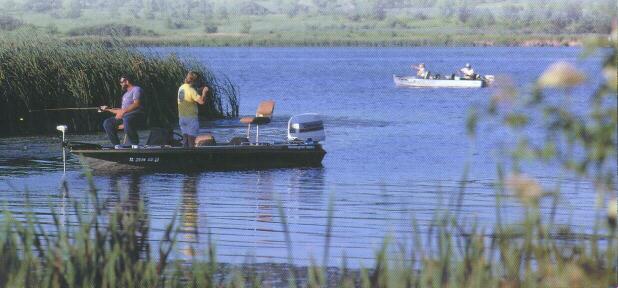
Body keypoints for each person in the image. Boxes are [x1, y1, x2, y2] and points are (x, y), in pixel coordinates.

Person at [101, 75, 145, 146]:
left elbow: (137, 104)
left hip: (135, 115)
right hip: (124, 116)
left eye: (121, 82)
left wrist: (123, 112)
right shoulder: (125, 95)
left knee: (127, 120)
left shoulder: (136, 89)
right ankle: (117, 146)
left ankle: (135, 144)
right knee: (107, 122)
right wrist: (107, 109)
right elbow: (121, 110)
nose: (120, 84)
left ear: (127, 81)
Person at [178, 71, 209, 148]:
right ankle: (193, 158)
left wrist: (198, 90)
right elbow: (201, 101)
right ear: (194, 81)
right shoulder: (191, 91)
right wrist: (204, 92)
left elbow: (189, 95)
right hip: (191, 119)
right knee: (192, 143)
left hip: (182, 118)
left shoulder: (181, 88)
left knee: (185, 142)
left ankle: (185, 157)